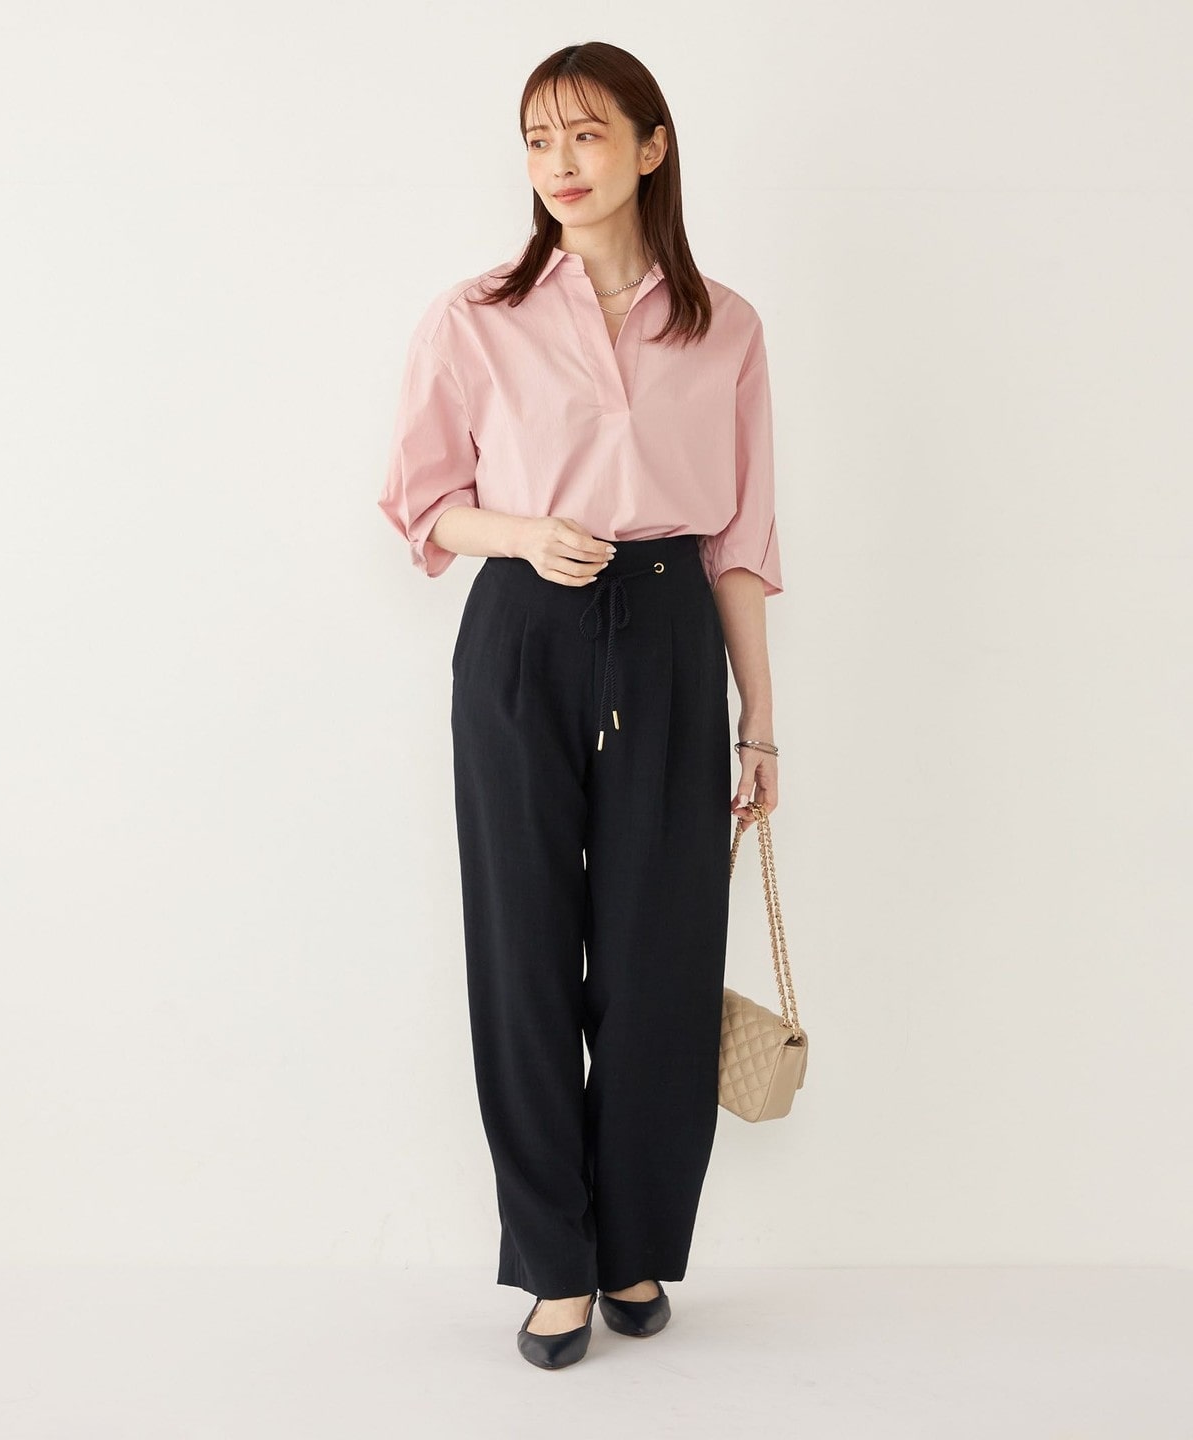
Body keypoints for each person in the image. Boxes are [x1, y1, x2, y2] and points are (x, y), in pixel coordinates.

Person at [378, 41, 784, 1370]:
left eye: (588, 134)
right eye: (538, 138)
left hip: (669, 633)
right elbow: (422, 501)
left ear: (651, 147)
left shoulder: (725, 325)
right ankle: (552, 1260)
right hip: (524, 631)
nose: (560, 163)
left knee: (662, 957)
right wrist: (520, 533)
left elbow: (740, 542)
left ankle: (633, 1247)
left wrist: (759, 721)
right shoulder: (477, 316)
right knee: (525, 951)